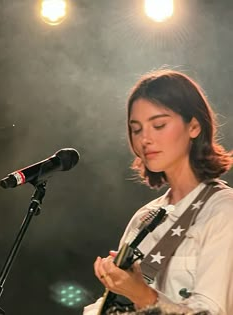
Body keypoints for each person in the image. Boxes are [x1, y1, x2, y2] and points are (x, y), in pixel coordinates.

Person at [83, 70, 233, 315]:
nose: (145, 139)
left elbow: (214, 311)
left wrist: (142, 294)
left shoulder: (224, 211)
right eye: (136, 129)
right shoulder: (145, 217)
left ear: (194, 126)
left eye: (159, 125)